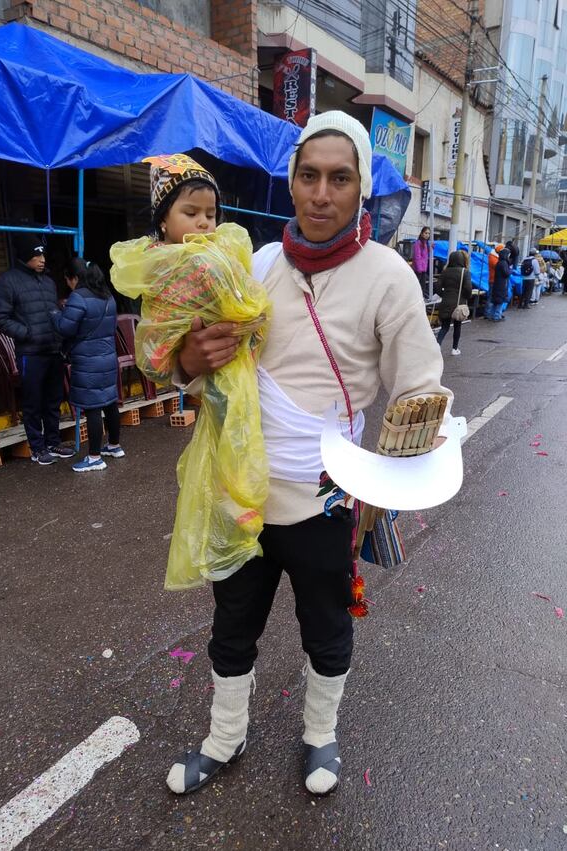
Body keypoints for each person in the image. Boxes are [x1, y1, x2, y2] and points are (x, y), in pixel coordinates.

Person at [163, 112, 451, 797]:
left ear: (361, 190)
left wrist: (380, 486)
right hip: (244, 496)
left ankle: (320, 736)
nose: (322, 193)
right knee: (231, 626)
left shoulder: (388, 277)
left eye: (340, 178)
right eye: (309, 176)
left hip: (327, 497)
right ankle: (223, 739)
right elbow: (197, 366)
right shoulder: (255, 265)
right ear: (290, 184)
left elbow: (420, 391)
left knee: (325, 628)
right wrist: (186, 357)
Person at [0, 233, 74, 465]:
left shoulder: (48, 282)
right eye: (37, 255)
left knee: (53, 400)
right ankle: (37, 448)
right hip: (30, 353)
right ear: (26, 256)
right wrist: (27, 333)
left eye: (43, 254)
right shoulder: (8, 281)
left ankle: (53, 442)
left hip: (53, 349)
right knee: (33, 401)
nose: (42, 259)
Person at [51, 258, 122, 472]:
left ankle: (94, 458)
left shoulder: (78, 297)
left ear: (74, 278)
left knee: (92, 407)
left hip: (88, 360)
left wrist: (55, 314)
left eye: (67, 279)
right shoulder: (108, 296)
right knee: (110, 402)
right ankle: (114, 446)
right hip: (108, 357)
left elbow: (65, 328)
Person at [436, 250, 473, 351]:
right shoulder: (465, 272)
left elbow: (437, 288)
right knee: (457, 326)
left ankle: (437, 345)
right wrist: (466, 296)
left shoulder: (445, 271)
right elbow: (468, 288)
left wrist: (444, 295)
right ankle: (454, 349)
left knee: (444, 327)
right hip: (459, 303)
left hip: (445, 302)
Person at [490, 246, 511, 322]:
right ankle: (496, 316)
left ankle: (491, 315)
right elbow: (506, 273)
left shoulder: (499, 262)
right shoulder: (504, 263)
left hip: (497, 283)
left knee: (495, 301)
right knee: (500, 301)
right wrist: (510, 270)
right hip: (501, 284)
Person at [412, 226, 432, 297]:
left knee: (422, 286)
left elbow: (425, 255)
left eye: (428, 233)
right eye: (426, 233)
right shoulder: (418, 243)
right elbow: (417, 257)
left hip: (423, 269)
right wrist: (419, 269)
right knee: (417, 285)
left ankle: (421, 298)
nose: (427, 235)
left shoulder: (426, 243)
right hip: (418, 269)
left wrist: (431, 248)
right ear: (421, 233)